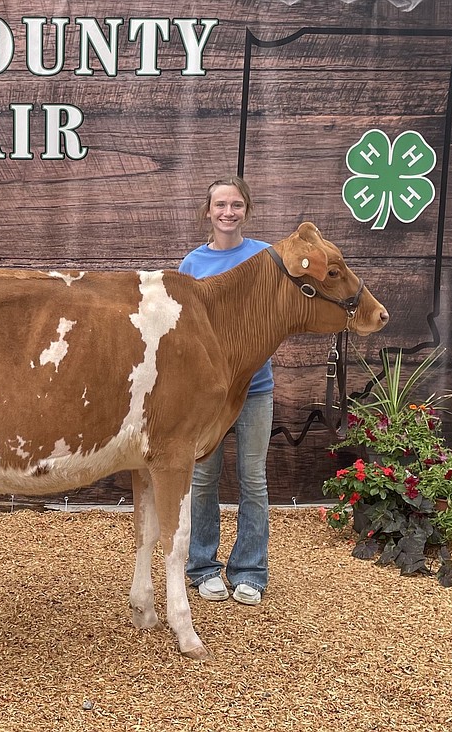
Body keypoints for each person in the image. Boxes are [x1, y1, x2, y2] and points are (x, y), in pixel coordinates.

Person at [178, 175, 272, 607]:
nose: (228, 212)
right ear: (208, 210)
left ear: (246, 211)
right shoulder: (191, 265)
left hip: (255, 389)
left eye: (236, 205)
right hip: (207, 394)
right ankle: (202, 567)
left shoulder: (267, 259)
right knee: (203, 478)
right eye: (220, 205)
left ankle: (251, 571)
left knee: (252, 480)